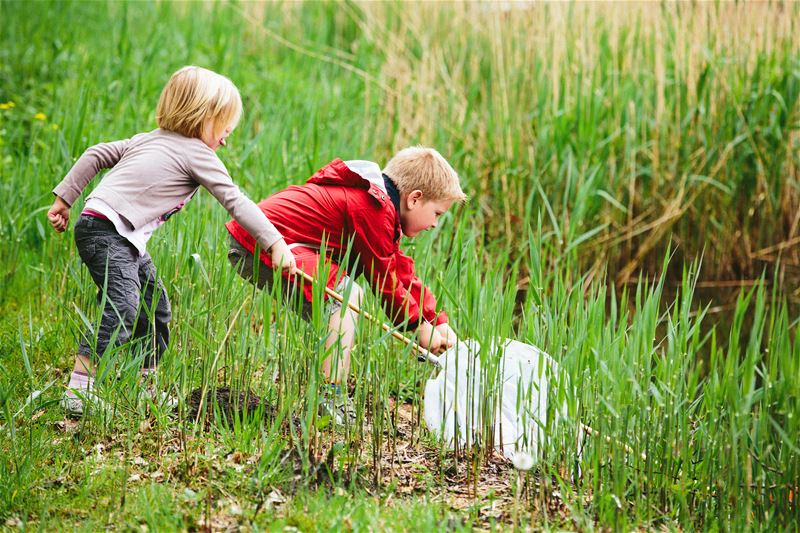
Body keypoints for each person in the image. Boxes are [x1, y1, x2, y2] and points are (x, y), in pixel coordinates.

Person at [47, 65, 296, 416]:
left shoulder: (146, 138)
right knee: (124, 306)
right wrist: (274, 242)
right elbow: (236, 201)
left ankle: (141, 385)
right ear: (201, 116)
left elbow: (96, 153)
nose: (228, 133)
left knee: (155, 308)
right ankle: (80, 389)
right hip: (108, 231)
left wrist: (65, 199)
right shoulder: (197, 153)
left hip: (116, 233)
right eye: (225, 122)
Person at [225, 147, 465, 423]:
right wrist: (416, 327)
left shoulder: (380, 206)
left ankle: (328, 394)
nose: (435, 224)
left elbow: (399, 268)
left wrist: (435, 320)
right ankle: (331, 397)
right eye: (437, 213)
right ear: (414, 199)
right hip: (262, 245)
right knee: (347, 297)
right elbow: (383, 278)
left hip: (274, 245)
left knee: (341, 303)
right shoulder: (371, 207)